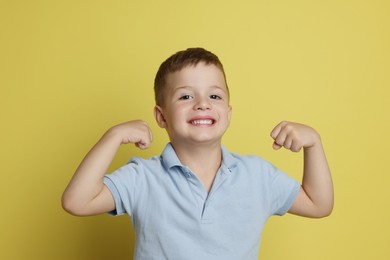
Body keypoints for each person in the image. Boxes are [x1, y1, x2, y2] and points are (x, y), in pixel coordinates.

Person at [62, 47, 334, 260]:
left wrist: (314, 144)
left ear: (228, 114)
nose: (202, 104)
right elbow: (76, 202)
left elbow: (318, 204)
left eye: (214, 96)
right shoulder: (143, 178)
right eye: (185, 97)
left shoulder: (257, 175)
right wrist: (113, 137)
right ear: (161, 116)